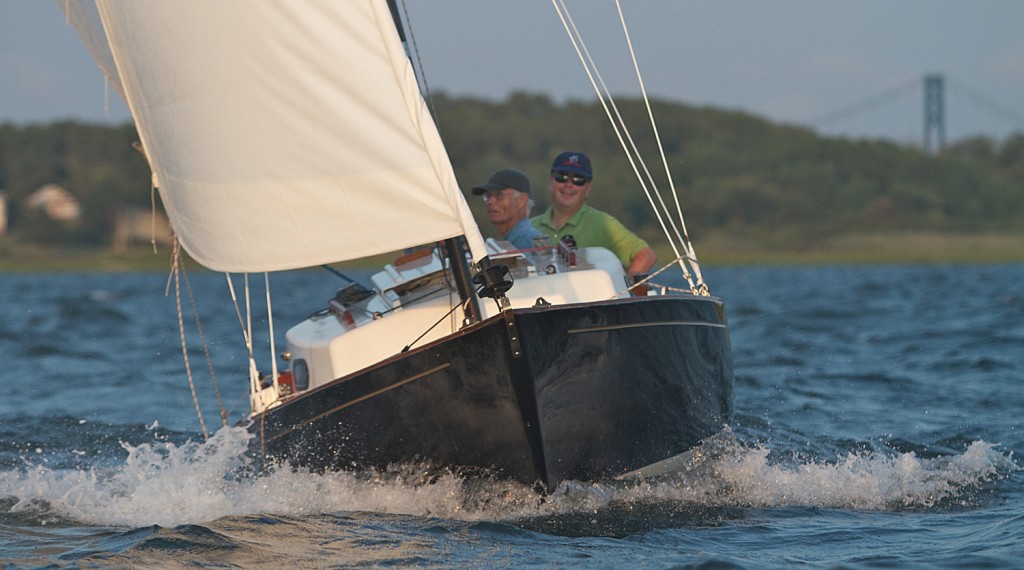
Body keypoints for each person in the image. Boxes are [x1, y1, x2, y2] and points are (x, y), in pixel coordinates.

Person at [532, 151, 656, 281]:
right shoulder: (529, 227)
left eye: (578, 180)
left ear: (588, 188)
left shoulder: (603, 224)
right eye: (561, 177)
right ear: (550, 181)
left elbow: (646, 255)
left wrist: (627, 291)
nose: (569, 184)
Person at [471, 168, 545, 250]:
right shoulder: (518, 239)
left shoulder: (525, 240)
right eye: (488, 196)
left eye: (499, 195)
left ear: (522, 200)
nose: (490, 202)